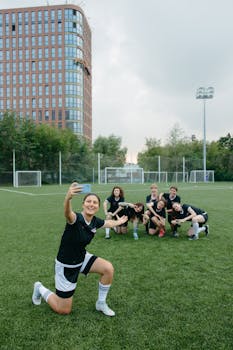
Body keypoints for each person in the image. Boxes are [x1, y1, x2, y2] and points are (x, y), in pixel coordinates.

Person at [32, 182, 128, 317]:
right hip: (66, 265)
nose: (91, 204)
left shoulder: (95, 221)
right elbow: (67, 213)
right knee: (63, 310)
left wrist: (119, 222)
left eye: (95, 202)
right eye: (88, 201)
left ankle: (101, 303)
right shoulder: (76, 219)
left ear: (98, 207)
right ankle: (39, 288)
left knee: (108, 269)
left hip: (82, 258)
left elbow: (108, 223)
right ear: (83, 204)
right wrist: (68, 198)